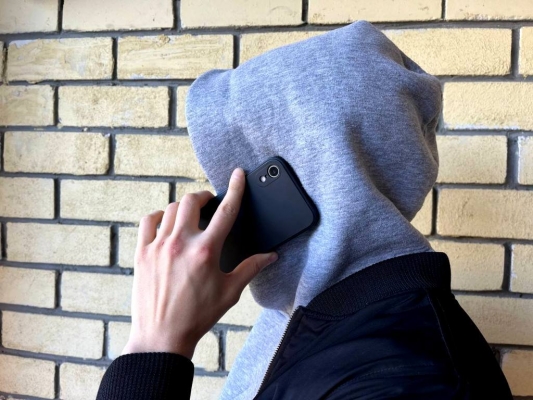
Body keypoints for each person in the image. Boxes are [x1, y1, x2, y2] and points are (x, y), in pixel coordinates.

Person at [97, 21, 512, 399]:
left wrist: (154, 349)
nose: (224, 198)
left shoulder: (411, 381)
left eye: (245, 169)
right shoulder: (301, 318)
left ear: (321, 167)